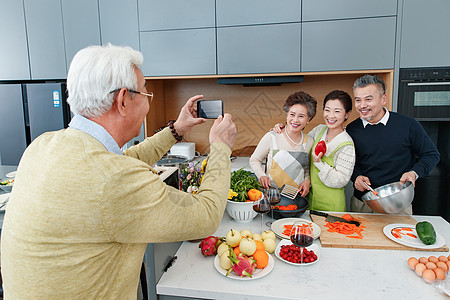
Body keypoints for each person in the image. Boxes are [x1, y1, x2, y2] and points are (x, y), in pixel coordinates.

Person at [0, 44, 237, 299]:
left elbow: (119, 161)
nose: (148, 103)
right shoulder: (115, 181)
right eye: (146, 94)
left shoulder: (43, 145)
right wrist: (221, 149)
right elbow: (206, 216)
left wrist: (176, 130)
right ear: (123, 100)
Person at [347, 74, 440, 213]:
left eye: (368, 99)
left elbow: (431, 154)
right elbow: (350, 162)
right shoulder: (352, 129)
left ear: (383, 99)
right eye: (358, 100)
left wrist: (414, 173)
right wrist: (356, 177)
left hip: (399, 203)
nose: (362, 106)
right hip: (363, 203)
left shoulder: (408, 125)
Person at [273, 90, 356, 211]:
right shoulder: (319, 130)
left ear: (347, 114)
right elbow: (300, 144)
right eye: (327, 110)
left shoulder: (346, 145)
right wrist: (285, 129)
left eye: (337, 111)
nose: (330, 116)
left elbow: (340, 180)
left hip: (331, 204)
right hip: (309, 199)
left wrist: (319, 163)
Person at [250, 91, 316, 196]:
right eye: (292, 114)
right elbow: (255, 159)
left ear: (309, 119)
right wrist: (261, 175)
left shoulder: (310, 141)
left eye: (301, 116)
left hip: (296, 197)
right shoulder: (272, 136)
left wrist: (307, 180)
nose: (295, 120)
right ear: (287, 115)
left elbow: (307, 169)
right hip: (272, 195)